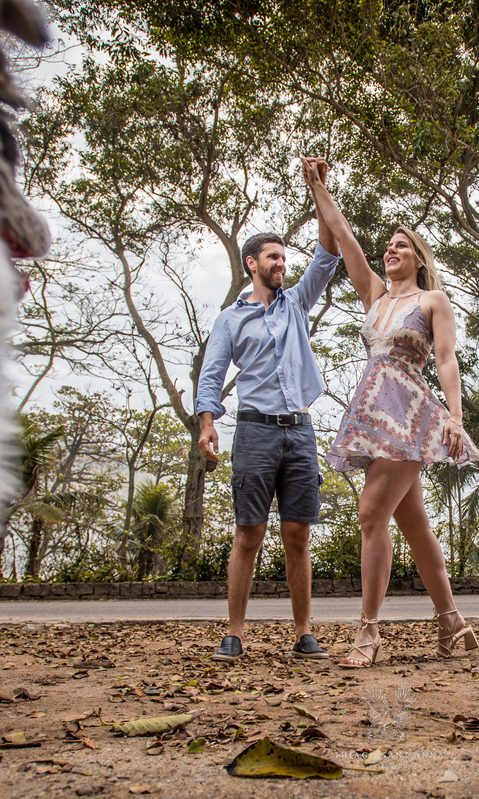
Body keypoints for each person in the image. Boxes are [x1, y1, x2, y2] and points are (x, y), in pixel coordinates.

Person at [301, 157, 479, 668]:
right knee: (415, 525)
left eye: (402, 245)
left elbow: (446, 360)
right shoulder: (375, 298)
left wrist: (455, 417)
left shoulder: (433, 300)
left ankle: (369, 631)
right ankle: (451, 622)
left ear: (418, 257)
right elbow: (343, 237)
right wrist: (318, 188)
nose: (391, 250)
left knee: (369, 514)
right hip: (371, 413)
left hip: (410, 417)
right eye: (389, 246)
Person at [195, 163, 339, 663]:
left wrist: (316, 189)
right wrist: (208, 423)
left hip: (299, 433)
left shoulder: (297, 303)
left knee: (297, 534)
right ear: (252, 263)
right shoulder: (230, 319)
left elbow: (329, 252)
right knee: (249, 533)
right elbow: (212, 374)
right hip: (254, 433)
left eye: (284, 257)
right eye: (274, 257)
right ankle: (234, 631)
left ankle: (303, 633)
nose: (283, 263)